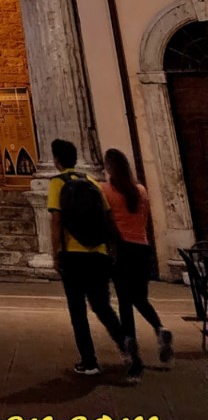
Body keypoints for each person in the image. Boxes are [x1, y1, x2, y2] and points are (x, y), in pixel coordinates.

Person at [47, 138, 141, 381]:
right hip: (98, 254)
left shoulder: (57, 183)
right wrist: (110, 249)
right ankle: (126, 345)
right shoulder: (92, 183)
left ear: (56, 160)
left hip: (73, 254)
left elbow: (56, 220)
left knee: (77, 311)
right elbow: (108, 219)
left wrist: (56, 253)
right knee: (102, 307)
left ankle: (89, 362)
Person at [100, 148, 173, 364]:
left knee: (124, 301)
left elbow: (106, 220)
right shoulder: (140, 191)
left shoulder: (106, 191)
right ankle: (160, 328)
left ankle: (130, 345)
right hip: (142, 247)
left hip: (121, 249)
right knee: (140, 298)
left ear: (109, 168)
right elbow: (145, 219)